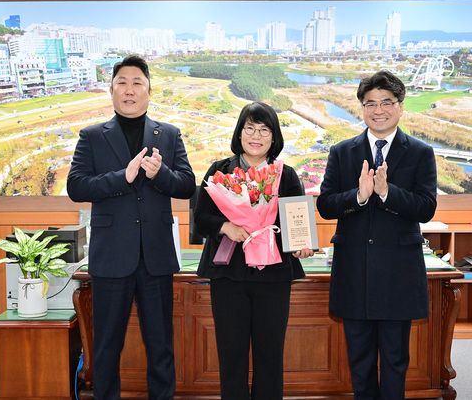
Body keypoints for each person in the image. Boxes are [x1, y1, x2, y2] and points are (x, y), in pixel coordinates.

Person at [67, 55, 195, 400]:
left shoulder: (167, 134)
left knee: (160, 345)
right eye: (121, 82)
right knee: (107, 345)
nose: (129, 89)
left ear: (149, 92)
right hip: (111, 258)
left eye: (137, 82)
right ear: (111, 91)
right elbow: (76, 186)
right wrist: (121, 178)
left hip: (155, 257)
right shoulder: (93, 136)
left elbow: (187, 185)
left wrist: (160, 174)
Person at [316, 70, 437, 400]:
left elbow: (426, 208)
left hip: (398, 273)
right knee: (360, 359)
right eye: (370, 103)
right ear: (361, 107)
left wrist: (387, 192)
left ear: (400, 107)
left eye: (386, 102)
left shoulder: (420, 152)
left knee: (396, 360)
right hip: (354, 271)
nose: (378, 110)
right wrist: (359, 196)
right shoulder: (342, 152)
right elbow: (326, 205)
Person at [193, 102, 314, 400]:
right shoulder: (220, 170)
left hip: (273, 278)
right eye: (250, 128)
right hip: (228, 277)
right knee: (231, 353)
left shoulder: (285, 175)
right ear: (239, 132)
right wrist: (226, 227)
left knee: (270, 354)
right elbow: (200, 218)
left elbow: (294, 223)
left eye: (264, 130)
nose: (256, 136)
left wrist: (300, 245)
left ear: (274, 137)